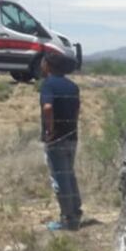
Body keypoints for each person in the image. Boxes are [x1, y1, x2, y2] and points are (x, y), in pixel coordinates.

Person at [40, 52, 82, 231]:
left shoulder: (48, 84)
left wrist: (49, 130)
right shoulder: (72, 86)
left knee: (60, 178)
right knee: (69, 176)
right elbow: (77, 108)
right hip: (71, 136)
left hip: (56, 139)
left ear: (48, 66)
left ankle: (68, 219)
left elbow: (48, 107)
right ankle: (76, 211)